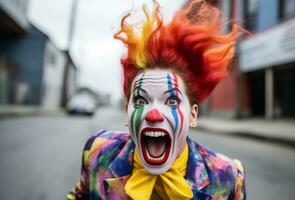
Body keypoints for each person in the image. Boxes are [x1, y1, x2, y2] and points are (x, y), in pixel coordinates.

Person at [66, 0, 246, 199]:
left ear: (193, 115)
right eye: (141, 101)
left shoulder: (227, 177)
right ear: (127, 111)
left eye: (171, 101)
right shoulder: (97, 152)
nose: (153, 114)